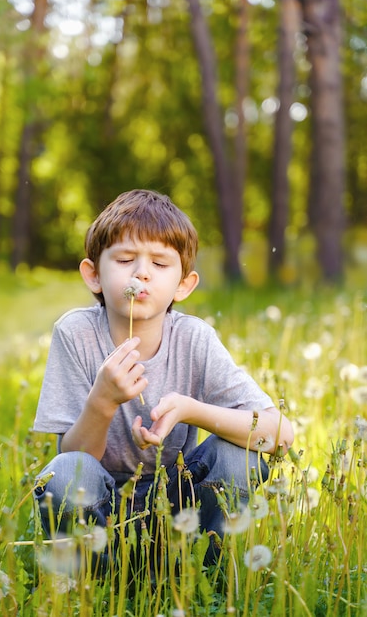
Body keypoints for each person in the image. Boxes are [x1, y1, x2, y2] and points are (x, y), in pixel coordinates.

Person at [33, 189, 294, 550]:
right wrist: (102, 401)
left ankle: (206, 577)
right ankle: (94, 585)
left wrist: (191, 410)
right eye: (125, 260)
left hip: (177, 509)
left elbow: (279, 435)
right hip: (104, 510)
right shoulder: (75, 334)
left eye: (159, 264)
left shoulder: (194, 339)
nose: (142, 274)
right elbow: (73, 458)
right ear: (93, 275)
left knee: (237, 457)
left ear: (184, 285)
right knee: (62, 475)